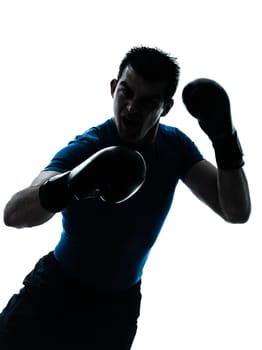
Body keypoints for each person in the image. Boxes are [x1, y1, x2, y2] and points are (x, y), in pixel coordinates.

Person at [0, 46, 251, 349]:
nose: (132, 108)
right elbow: (14, 215)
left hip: (115, 312)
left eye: (148, 102)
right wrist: (71, 183)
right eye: (126, 92)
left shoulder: (175, 148)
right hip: (53, 293)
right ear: (112, 88)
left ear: (166, 107)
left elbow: (235, 210)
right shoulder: (90, 145)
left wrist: (225, 139)